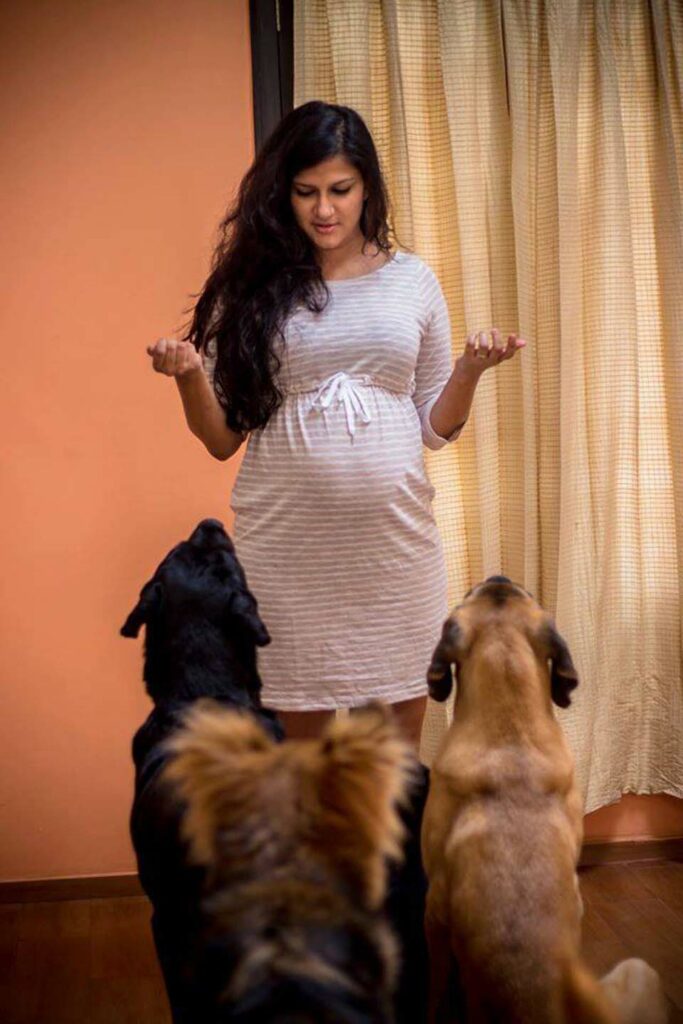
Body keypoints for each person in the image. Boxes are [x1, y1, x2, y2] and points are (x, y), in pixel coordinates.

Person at [147, 100, 524, 748]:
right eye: (306, 192)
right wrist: (188, 375)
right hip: (289, 557)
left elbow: (434, 427)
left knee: (392, 757)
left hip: (393, 551)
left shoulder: (412, 281)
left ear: (367, 188)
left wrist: (469, 369)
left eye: (340, 190)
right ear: (283, 193)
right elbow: (220, 440)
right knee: (299, 758)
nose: (324, 209)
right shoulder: (251, 288)